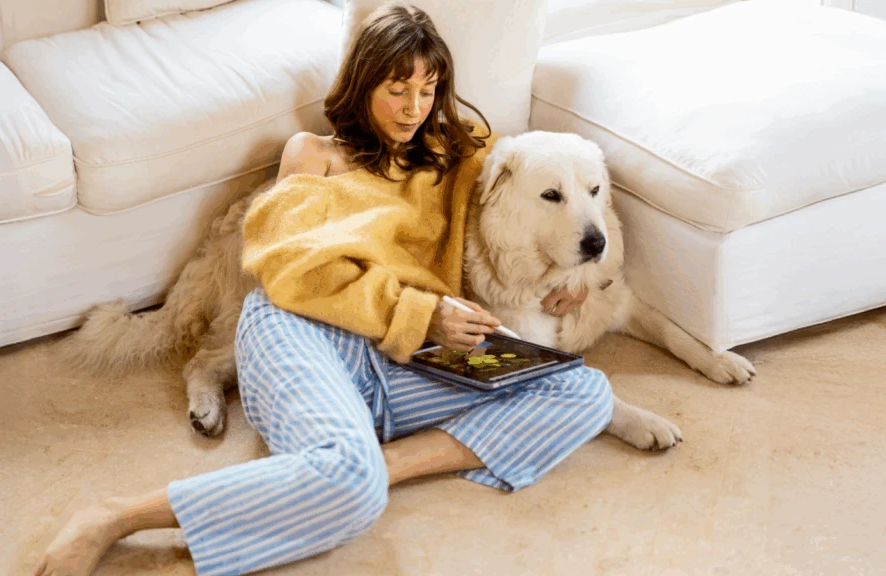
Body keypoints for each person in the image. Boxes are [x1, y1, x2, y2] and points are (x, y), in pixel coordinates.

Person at [34, 4, 610, 575]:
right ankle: (115, 517)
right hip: (303, 327)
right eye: (397, 90)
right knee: (351, 485)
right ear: (363, 83)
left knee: (583, 391)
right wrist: (421, 314)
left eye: (428, 91)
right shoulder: (314, 155)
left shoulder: (457, 151)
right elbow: (288, 266)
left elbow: (555, 181)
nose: (414, 109)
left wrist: (581, 274)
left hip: (405, 352)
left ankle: (381, 465)